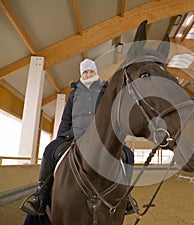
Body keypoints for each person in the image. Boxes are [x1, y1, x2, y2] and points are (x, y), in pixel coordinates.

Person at [20, 58, 136, 216]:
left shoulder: (105, 91)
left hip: (99, 135)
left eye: (91, 71)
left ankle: (126, 196)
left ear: (96, 72)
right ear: (81, 74)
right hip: (74, 134)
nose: (88, 74)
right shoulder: (74, 94)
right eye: (85, 72)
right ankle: (41, 194)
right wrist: (61, 136)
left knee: (127, 154)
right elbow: (66, 118)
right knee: (49, 150)